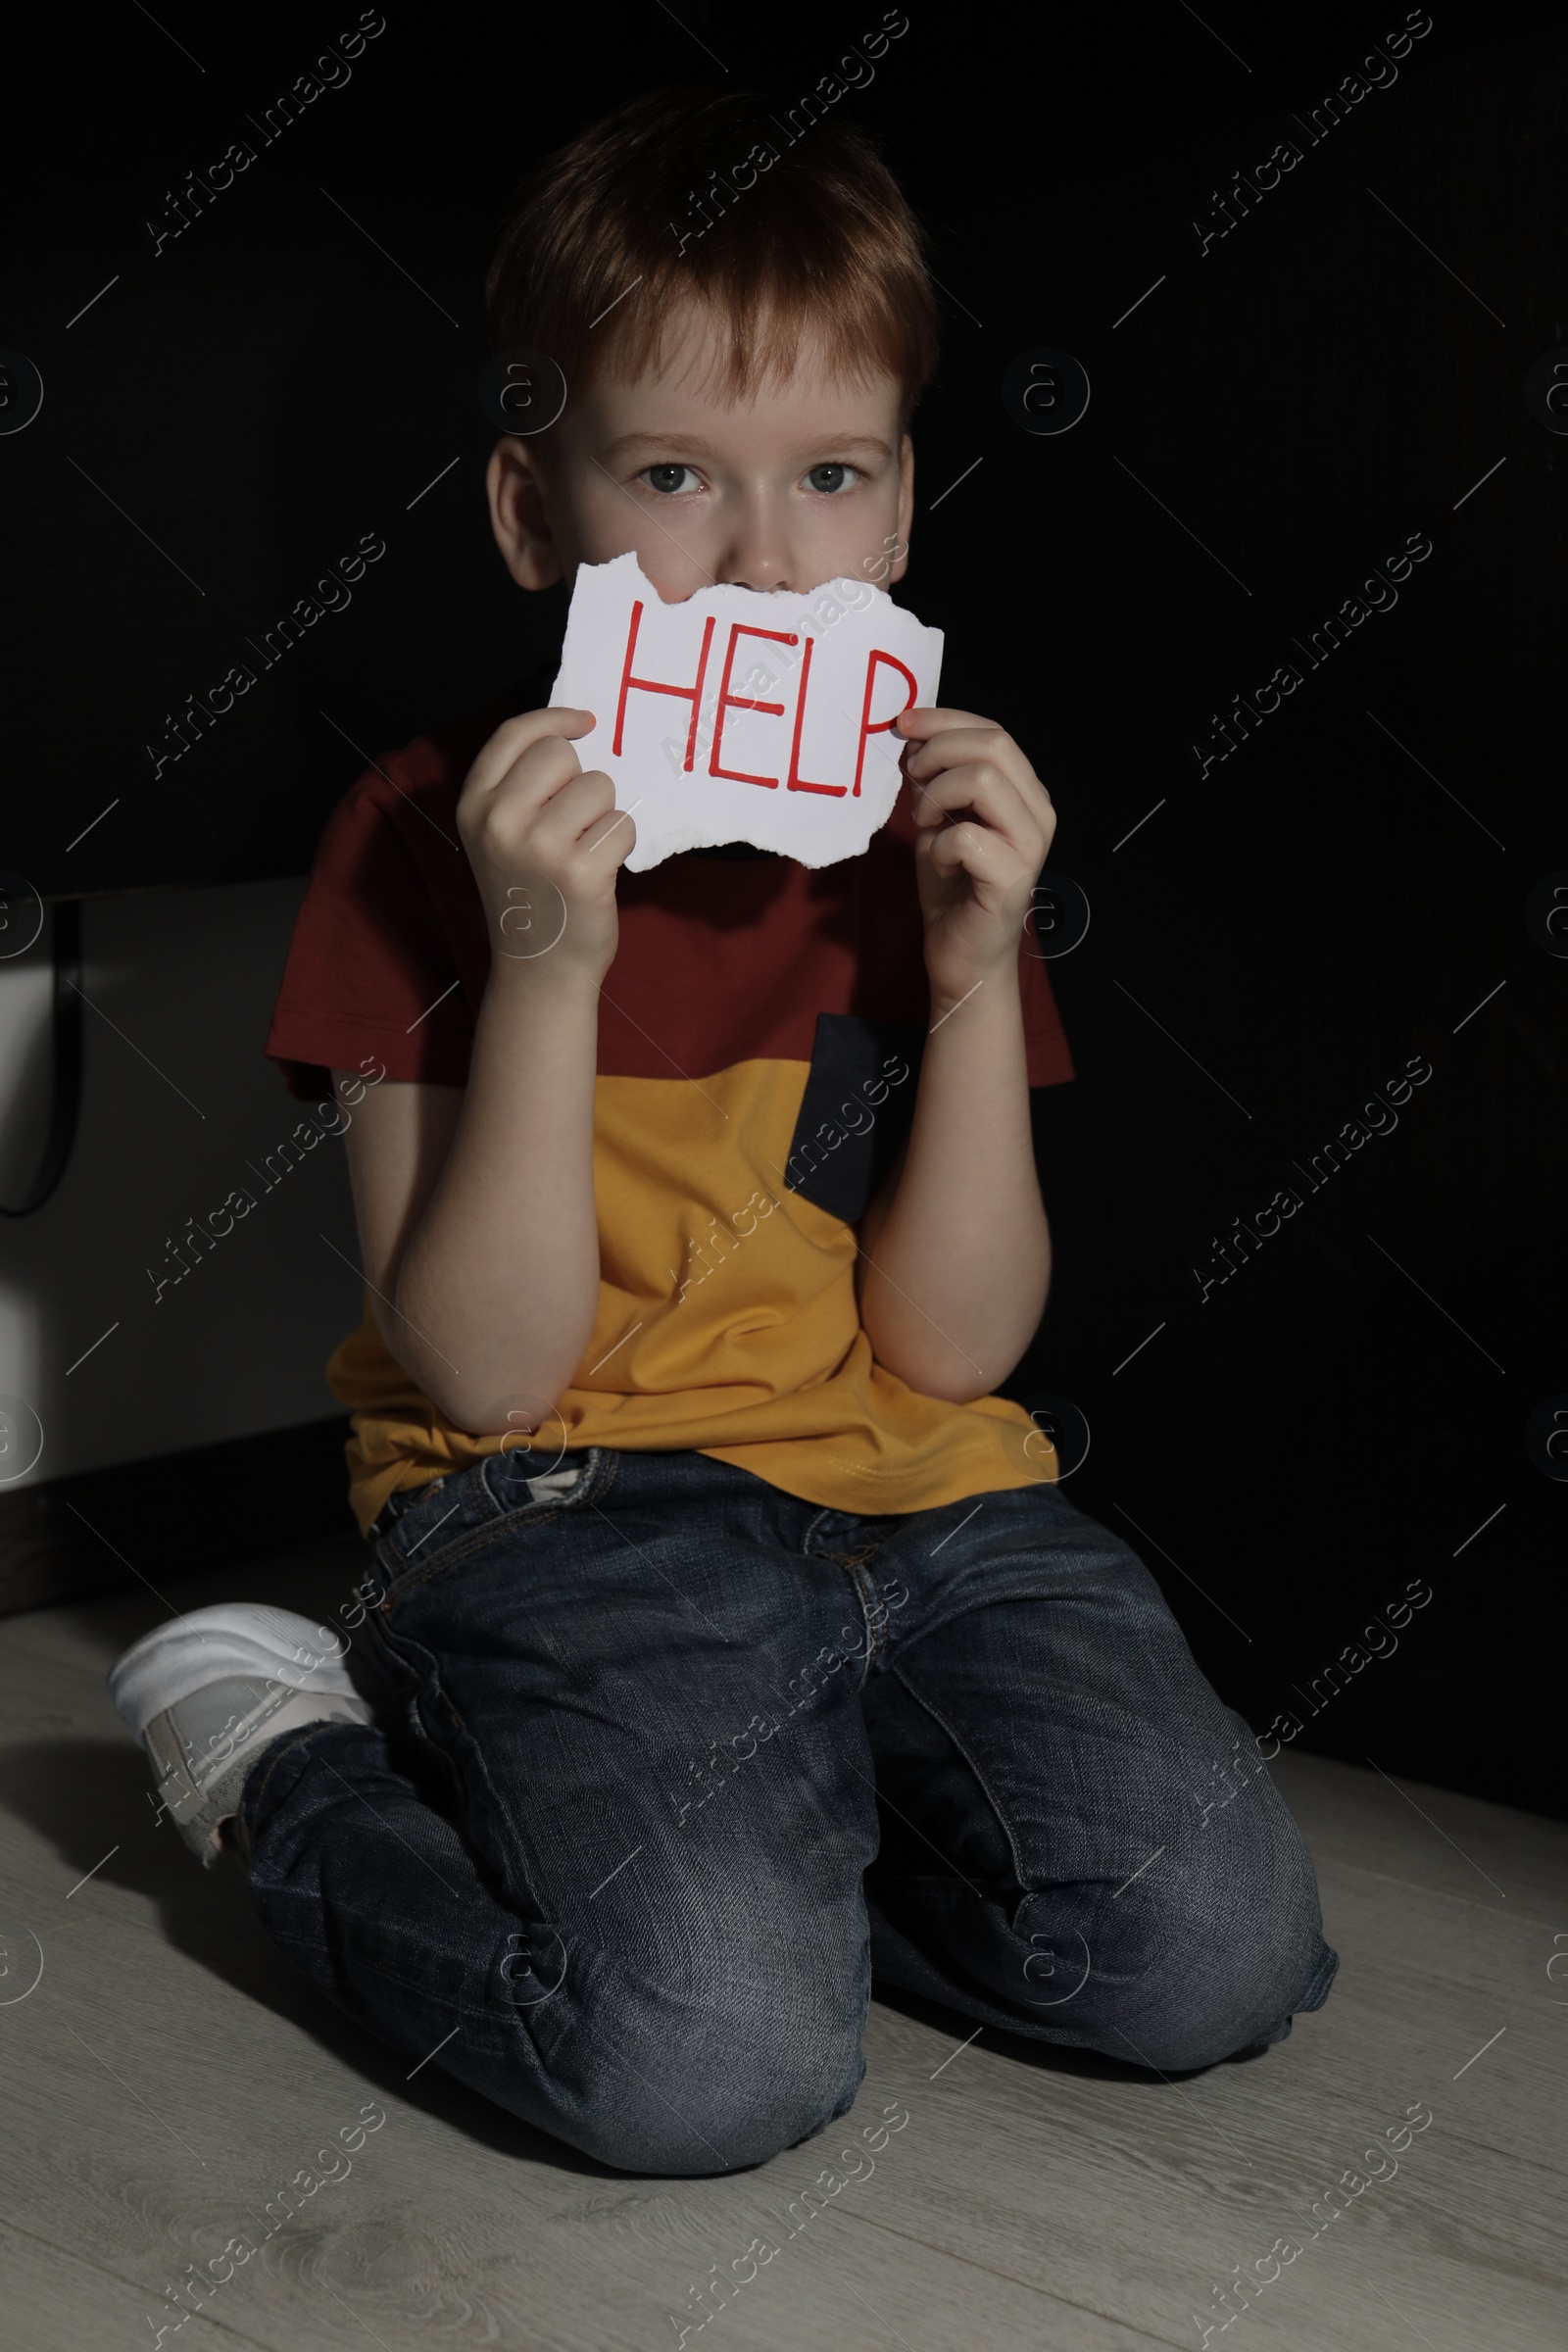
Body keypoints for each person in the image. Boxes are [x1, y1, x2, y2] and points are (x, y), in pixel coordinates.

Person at [108, 84, 1336, 2177]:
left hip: (916, 1498)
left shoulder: (923, 839)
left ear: (899, 512)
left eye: (826, 478)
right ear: (531, 513)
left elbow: (952, 1354)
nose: (764, 564)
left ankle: (741, 1854)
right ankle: (295, 1758)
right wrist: (547, 967)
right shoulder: (418, 841)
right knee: (703, 2070)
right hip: (558, 1497)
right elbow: (485, 1368)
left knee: (1211, 1966)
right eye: (673, 475)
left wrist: (964, 981)